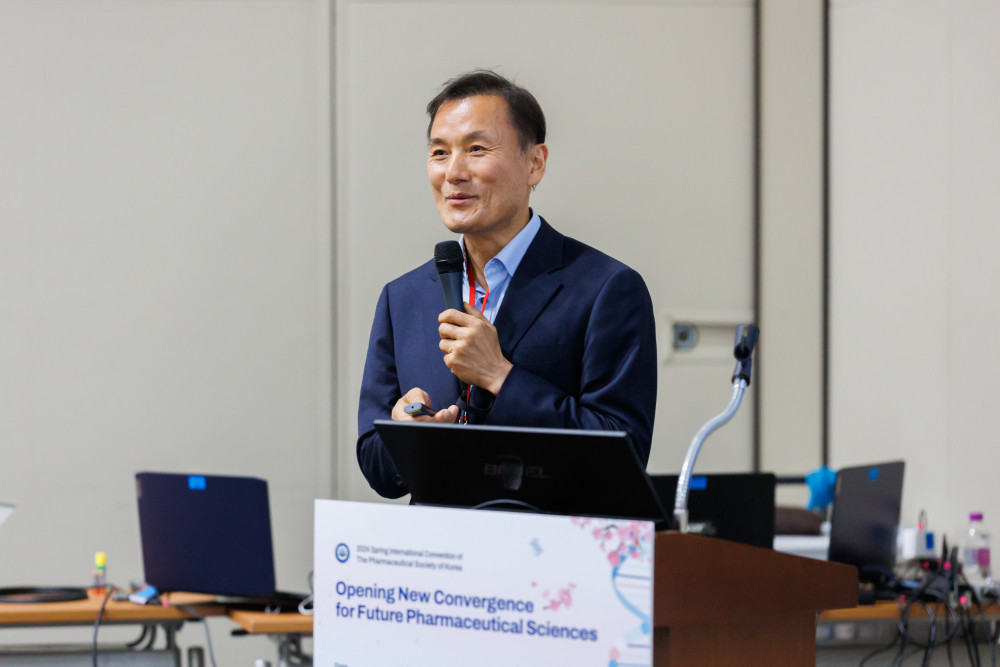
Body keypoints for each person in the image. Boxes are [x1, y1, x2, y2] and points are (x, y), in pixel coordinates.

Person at [357, 70, 657, 498]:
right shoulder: (403, 297)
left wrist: (501, 376)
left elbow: (622, 455)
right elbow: (376, 464)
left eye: (476, 149)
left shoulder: (606, 289)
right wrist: (404, 436)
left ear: (535, 163)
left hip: (547, 537)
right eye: (439, 152)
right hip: (437, 538)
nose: (453, 172)